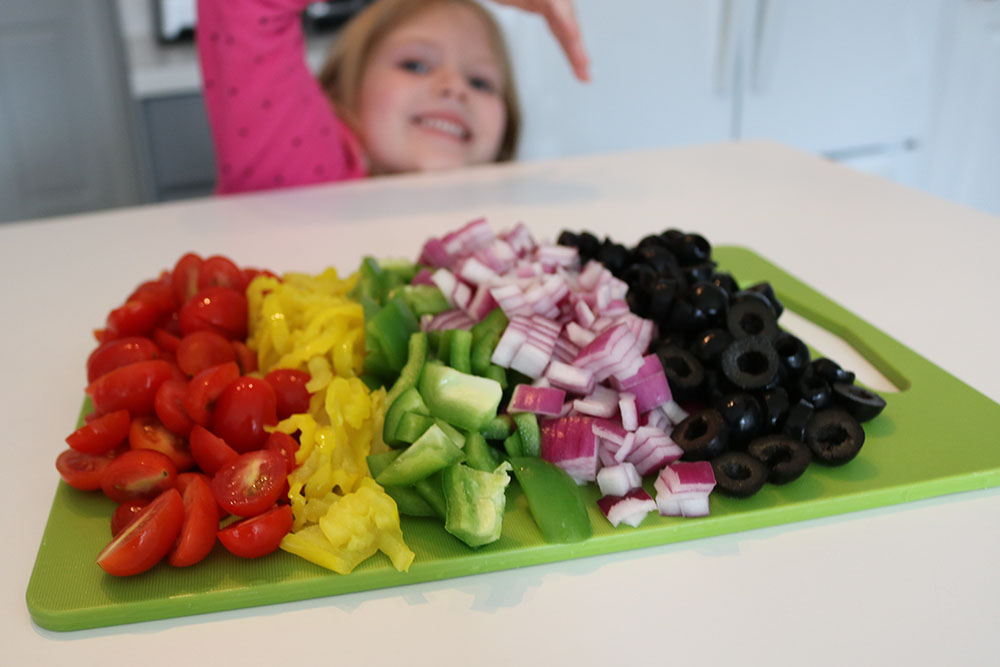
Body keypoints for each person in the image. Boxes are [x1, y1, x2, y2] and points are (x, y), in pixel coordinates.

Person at [196, 0, 589, 195]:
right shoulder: (312, 174)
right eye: (415, 65)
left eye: (481, 82)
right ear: (344, 88)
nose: (454, 87)